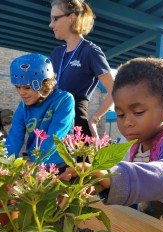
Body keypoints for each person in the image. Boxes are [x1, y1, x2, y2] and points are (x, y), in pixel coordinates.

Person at [60, 57, 163, 225]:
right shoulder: (137, 147)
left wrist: (110, 175)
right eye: (120, 114)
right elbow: (137, 188)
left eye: (138, 112)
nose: (127, 122)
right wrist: (98, 184)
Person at [49, 0, 114, 138]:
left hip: (76, 125)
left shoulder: (90, 52)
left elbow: (115, 90)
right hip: (53, 122)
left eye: (55, 18)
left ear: (71, 17)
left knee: (78, 160)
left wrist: (95, 119)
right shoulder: (56, 54)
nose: (51, 24)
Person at [5, 53, 75, 169]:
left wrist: (37, 162)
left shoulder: (64, 100)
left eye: (27, 87)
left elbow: (55, 136)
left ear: (44, 84)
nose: (21, 93)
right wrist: (2, 163)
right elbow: (15, 137)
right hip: (36, 163)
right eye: (18, 87)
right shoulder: (23, 106)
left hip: (61, 164)